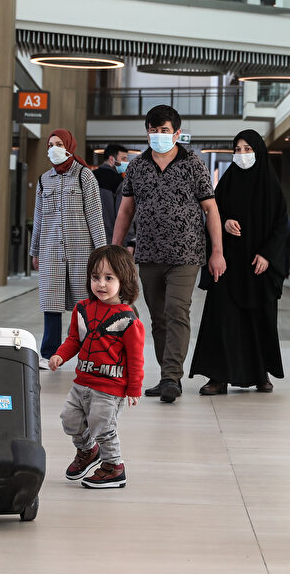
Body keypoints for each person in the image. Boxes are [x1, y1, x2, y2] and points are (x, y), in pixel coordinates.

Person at [111, 104, 226, 404]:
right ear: (147, 132)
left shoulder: (193, 164)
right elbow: (126, 210)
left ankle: (172, 377)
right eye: (154, 130)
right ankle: (166, 376)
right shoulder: (137, 166)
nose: (159, 135)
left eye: (164, 130)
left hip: (186, 254)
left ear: (176, 133)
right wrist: (115, 249)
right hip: (149, 254)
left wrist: (217, 252)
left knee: (177, 311)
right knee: (158, 318)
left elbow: (211, 209)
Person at [189, 130, 290, 394]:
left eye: (247, 149)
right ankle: (218, 377)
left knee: (259, 320)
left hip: (259, 267)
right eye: (237, 150)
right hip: (229, 263)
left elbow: (281, 225)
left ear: (259, 152)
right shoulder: (228, 182)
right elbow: (213, 212)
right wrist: (224, 222)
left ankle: (260, 374)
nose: (242, 154)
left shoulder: (270, 186)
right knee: (223, 319)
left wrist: (267, 254)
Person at [48, 245, 145, 489]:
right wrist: (60, 355)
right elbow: (74, 339)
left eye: (109, 278)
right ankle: (88, 451)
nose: (101, 284)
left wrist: (134, 388)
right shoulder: (82, 309)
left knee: (103, 427)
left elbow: (135, 357)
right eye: (95, 277)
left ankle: (114, 467)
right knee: (69, 419)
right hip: (82, 383)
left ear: (124, 280)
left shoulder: (128, 319)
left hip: (110, 388)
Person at [30, 129, 107, 363]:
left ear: (69, 147)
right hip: (51, 250)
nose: (54, 149)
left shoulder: (85, 176)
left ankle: (87, 352)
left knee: (83, 305)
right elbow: (38, 219)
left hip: (81, 252)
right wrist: (35, 252)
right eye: (50, 145)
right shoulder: (44, 180)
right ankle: (49, 354)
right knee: (51, 304)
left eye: (59, 144)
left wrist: (102, 253)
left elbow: (95, 215)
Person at [93, 143, 129, 246]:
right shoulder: (119, 182)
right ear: (112, 159)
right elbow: (123, 214)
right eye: (123, 158)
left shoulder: (89, 177)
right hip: (111, 239)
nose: (126, 162)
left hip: (91, 238)